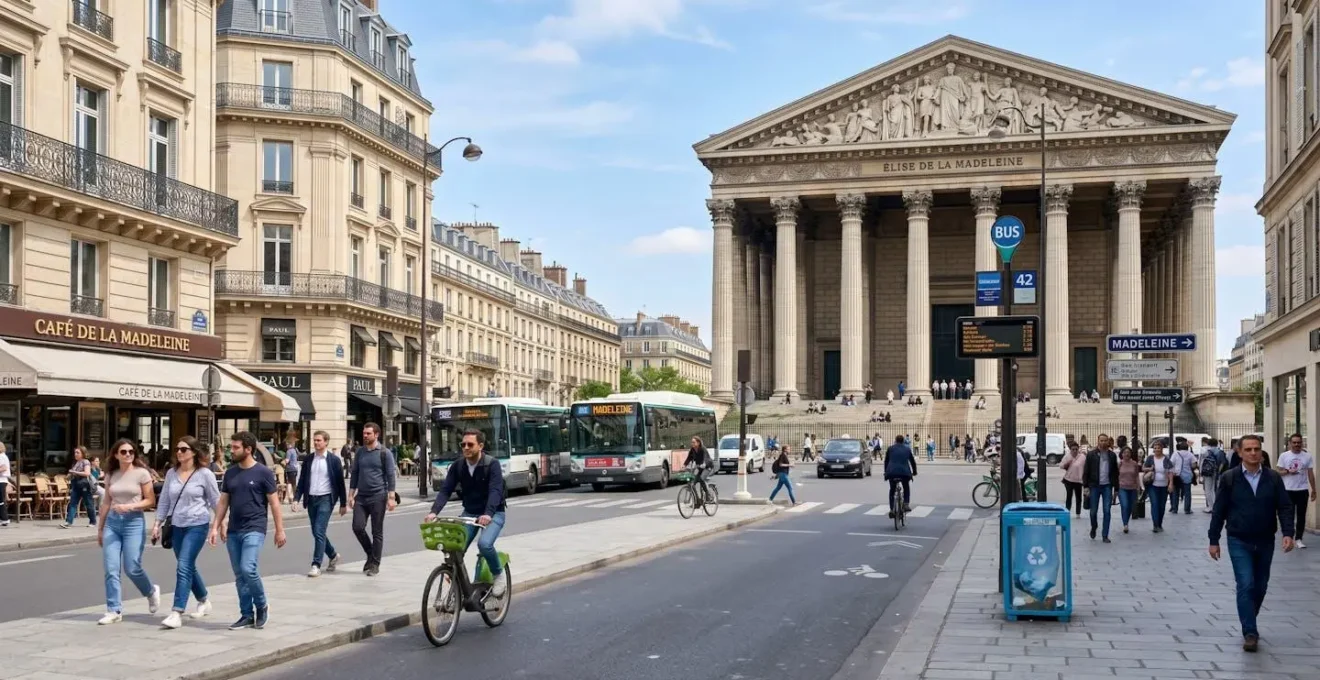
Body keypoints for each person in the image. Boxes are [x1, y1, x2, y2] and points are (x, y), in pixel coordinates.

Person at [1208, 434, 1295, 652]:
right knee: (1246, 584)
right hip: (1239, 538)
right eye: (1248, 450)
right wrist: (1213, 539)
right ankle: (1250, 632)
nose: (1253, 453)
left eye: (1256, 449)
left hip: (1265, 539)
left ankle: (1248, 616)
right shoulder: (1230, 478)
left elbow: (1284, 506)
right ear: (1239, 453)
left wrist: (1288, 532)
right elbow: (1219, 510)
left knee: (1261, 586)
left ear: (1261, 452)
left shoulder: (1273, 478)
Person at [210, 431, 286, 630]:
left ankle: (261, 605)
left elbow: (275, 504)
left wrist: (280, 530)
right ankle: (246, 614)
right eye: (231, 447)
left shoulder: (264, 473)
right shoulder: (231, 473)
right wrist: (215, 527)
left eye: (236, 448)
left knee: (248, 568)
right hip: (234, 529)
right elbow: (223, 501)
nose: (231, 451)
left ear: (248, 449)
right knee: (239, 575)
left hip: (255, 527)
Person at [425, 430, 507, 598]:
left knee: (484, 544)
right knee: (455, 548)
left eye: (470, 444)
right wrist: (434, 512)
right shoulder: (459, 466)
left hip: (493, 513)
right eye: (463, 444)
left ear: (481, 446)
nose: (466, 448)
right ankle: (459, 586)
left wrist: (488, 514)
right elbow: (445, 490)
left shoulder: (492, 464)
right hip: (470, 512)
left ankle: (499, 575)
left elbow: (495, 491)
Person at [152, 437, 220, 629]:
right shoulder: (172, 474)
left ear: (194, 452)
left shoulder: (205, 474)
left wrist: (219, 524)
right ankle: (204, 600)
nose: (179, 452)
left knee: (183, 566)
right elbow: (164, 500)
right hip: (176, 526)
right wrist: (157, 524)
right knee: (188, 565)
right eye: (177, 449)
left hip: (197, 525)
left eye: (183, 449)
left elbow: (216, 501)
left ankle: (177, 611)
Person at [96, 439, 160, 625]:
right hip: (112, 524)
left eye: (131, 452)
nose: (128, 455)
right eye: (123, 452)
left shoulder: (142, 473)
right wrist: (100, 528)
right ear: (116, 454)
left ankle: (150, 591)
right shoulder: (111, 475)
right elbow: (106, 501)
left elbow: (150, 500)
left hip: (134, 523)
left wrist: (130, 506)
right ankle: (114, 610)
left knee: (132, 567)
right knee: (111, 569)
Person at [295, 431, 348, 576]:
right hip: (311, 499)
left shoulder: (333, 460)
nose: (316, 443)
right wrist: (296, 499)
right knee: (317, 532)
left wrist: (343, 503)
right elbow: (302, 481)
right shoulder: (308, 459)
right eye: (315, 440)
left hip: (326, 499)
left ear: (326, 442)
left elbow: (340, 483)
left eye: (319, 440)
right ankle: (332, 555)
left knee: (319, 530)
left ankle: (316, 564)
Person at [349, 422, 397, 576]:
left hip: (378, 496)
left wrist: (391, 497)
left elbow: (391, 475)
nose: (365, 436)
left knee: (377, 531)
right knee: (357, 527)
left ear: (376, 435)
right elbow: (355, 473)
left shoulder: (385, 453)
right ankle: (370, 553)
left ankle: (375, 564)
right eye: (364, 433)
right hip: (361, 497)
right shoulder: (360, 452)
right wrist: (350, 495)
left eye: (368, 433)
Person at [1275, 433, 1315, 549]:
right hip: (1288, 490)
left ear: (1302, 443)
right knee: (1289, 515)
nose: (1297, 444)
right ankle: (1289, 537)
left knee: (1301, 515)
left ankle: (1299, 538)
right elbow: (1278, 472)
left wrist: (1314, 489)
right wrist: (1288, 471)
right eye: (1294, 442)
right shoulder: (1284, 456)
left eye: (1299, 442)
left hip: (1302, 490)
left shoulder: (1307, 456)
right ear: (1290, 443)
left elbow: (1310, 474)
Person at [1083, 434, 1119, 543]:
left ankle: (1105, 535)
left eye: (1105, 441)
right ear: (1098, 441)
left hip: (1107, 486)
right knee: (1093, 511)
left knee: (1107, 511)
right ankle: (1094, 527)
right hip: (1094, 486)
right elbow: (1086, 471)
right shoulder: (1091, 455)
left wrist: (1116, 489)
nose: (1103, 442)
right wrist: (1085, 486)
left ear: (1108, 442)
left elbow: (1115, 473)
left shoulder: (1112, 455)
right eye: (1101, 440)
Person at [61, 446, 98, 528]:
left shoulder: (86, 462)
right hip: (75, 485)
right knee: (73, 503)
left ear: (83, 453)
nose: (76, 454)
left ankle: (93, 521)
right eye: (75, 452)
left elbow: (87, 473)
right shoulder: (76, 463)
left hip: (84, 485)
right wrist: (68, 476)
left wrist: (74, 471)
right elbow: (73, 474)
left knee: (88, 503)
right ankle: (68, 522)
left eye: (78, 452)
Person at [1143, 440, 1174, 533]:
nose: (1157, 450)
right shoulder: (1150, 458)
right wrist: (1150, 469)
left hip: (1164, 485)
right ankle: (1155, 525)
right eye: (1155, 448)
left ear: (1162, 449)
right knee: (1155, 504)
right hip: (1153, 485)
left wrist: (1171, 483)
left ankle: (1159, 523)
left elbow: (1170, 472)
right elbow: (1143, 468)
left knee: (1162, 506)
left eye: (1158, 448)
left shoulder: (1166, 459)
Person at [883, 435, 917, 517]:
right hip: (904, 473)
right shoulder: (907, 449)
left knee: (892, 490)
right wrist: (914, 471)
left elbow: (886, 461)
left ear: (895, 440)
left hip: (892, 472)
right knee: (906, 487)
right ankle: (906, 503)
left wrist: (886, 471)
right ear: (903, 441)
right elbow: (912, 462)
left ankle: (891, 509)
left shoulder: (890, 448)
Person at [1116, 447, 1141, 534]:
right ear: (1122, 454)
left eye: (1128, 452)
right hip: (1122, 487)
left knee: (1130, 507)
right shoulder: (1119, 464)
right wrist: (1115, 488)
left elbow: (1137, 475)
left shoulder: (1134, 464)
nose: (1126, 454)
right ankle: (1125, 524)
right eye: (1125, 452)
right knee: (1125, 505)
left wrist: (1139, 486)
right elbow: (1116, 476)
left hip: (1133, 488)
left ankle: (1126, 520)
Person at [1200, 438, 1228, 515]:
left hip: (1208, 472)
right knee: (1214, 489)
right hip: (1215, 472)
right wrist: (1218, 471)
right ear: (1216, 444)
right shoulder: (1220, 452)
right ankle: (1215, 505)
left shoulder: (1206, 452)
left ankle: (1210, 506)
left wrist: (1201, 473)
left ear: (1209, 443)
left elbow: (1202, 462)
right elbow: (1223, 463)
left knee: (1207, 489)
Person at [684, 436, 715, 506]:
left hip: (707, 467)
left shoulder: (702, 449)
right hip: (700, 468)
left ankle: (708, 495)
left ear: (698, 443)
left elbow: (705, 457)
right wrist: (684, 465)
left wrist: (704, 464)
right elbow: (689, 458)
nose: (692, 443)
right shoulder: (692, 449)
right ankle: (697, 501)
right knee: (692, 484)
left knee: (701, 479)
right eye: (692, 442)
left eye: (693, 442)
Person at [1059, 441, 1085, 517]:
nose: (1074, 451)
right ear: (1070, 449)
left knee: (1078, 497)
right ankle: (1067, 511)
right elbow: (1061, 465)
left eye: (1076, 449)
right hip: (1068, 480)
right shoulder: (1067, 456)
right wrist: (1067, 464)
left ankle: (1078, 513)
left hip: (1079, 480)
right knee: (1069, 496)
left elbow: (1087, 466)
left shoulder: (1082, 457)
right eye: (1073, 449)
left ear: (1078, 449)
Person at [0, 442, 10, 527]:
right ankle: (4, 518)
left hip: (1, 480)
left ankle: (4, 518)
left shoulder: (1, 456)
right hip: (3, 481)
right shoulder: (4, 456)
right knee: (1, 500)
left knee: (1, 501)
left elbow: (3, 468)